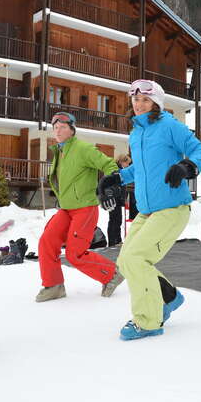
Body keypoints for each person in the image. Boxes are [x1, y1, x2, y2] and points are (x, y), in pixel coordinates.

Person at [97, 80, 201, 340]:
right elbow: (141, 169)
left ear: (156, 103)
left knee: (136, 259)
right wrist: (116, 178)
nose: (139, 104)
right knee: (125, 260)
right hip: (146, 210)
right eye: (135, 100)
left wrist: (187, 167)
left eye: (145, 100)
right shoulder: (137, 133)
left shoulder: (169, 126)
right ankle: (168, 297)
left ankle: (148, 321)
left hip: (172, 208)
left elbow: (198, 149)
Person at [36, 112, 124, 302]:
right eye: (56, 128)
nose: (58, 131)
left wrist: (108, 188)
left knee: (74, 253)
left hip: (85, 208)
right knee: (46, 241)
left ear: (72, 130)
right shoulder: (60, 151)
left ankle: (111, 274)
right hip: (66, 209)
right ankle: (54, 285)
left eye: (63, 127)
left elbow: (110, 165)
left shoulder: (83, 149)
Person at [106, 154, 131, 247]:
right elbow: (115, 185)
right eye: (127, 163)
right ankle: (113, 241)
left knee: (117, 219)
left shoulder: (120, 171)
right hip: (113, 198)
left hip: (117, 198)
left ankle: (117, 240)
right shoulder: (115, 170)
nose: (128, 166)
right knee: (114, 219)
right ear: (122, 161)